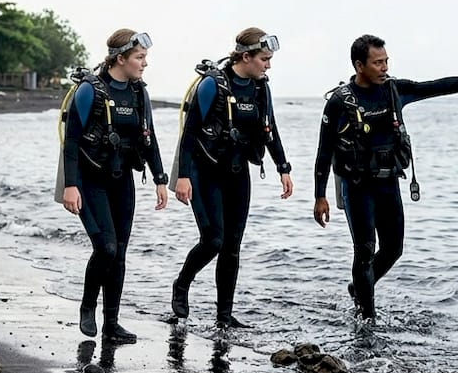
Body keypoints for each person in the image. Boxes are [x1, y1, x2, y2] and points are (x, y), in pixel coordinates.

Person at [313, 34, 458, 323]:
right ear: (359, 65)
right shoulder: (340, 102)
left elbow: (437, 87)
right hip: (357, 186)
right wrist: (320, 196)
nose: (384, 67)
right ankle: (367, 319)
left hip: (387, 182)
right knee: (365, 251)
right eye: (377, 62)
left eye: (386, 61)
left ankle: (359, 288)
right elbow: (323, 150)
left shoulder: (395, 91)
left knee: (394, 248)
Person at [171, 28, 294, 328]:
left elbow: (270, 129)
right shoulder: (213, 85)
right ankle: (182, 284)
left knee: (232, 246)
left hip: (238, 172)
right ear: (246, 56)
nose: (268, 65)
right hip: (204, 172)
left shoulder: (261, 88)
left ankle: (224, 316)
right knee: (213, 239)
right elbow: (189, 134)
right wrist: (183, 177)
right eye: (264, 59)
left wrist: (283, 167)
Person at [62, 29, 169, 343]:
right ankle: (86, 307)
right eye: (139, 57)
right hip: (89, 181)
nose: (144, 63)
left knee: (119, 253)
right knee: (105, 248)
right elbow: (71, 143)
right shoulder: (89, 91)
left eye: (144, 57)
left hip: (122, 180)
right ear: (120, 59)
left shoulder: (138, 93)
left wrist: (160, 179)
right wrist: (71, 186)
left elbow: (148, 139)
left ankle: (112, 324)